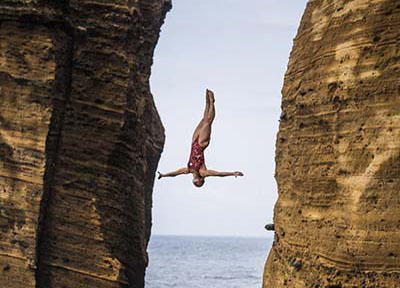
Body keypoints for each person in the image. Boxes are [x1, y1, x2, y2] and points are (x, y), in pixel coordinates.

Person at [158, 89, 244, 187]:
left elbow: (175, 174)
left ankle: (207, 101)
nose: (194, 179)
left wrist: (164, 175)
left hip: (194, 141)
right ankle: (212, 102)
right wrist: (233, 173)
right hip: (202, 144)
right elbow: (218, 174)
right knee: (208, 121)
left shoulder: (188, 170)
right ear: (200, 179)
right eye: (197, 181)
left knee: (204, 120)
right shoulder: (203, 172)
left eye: (194, 181)